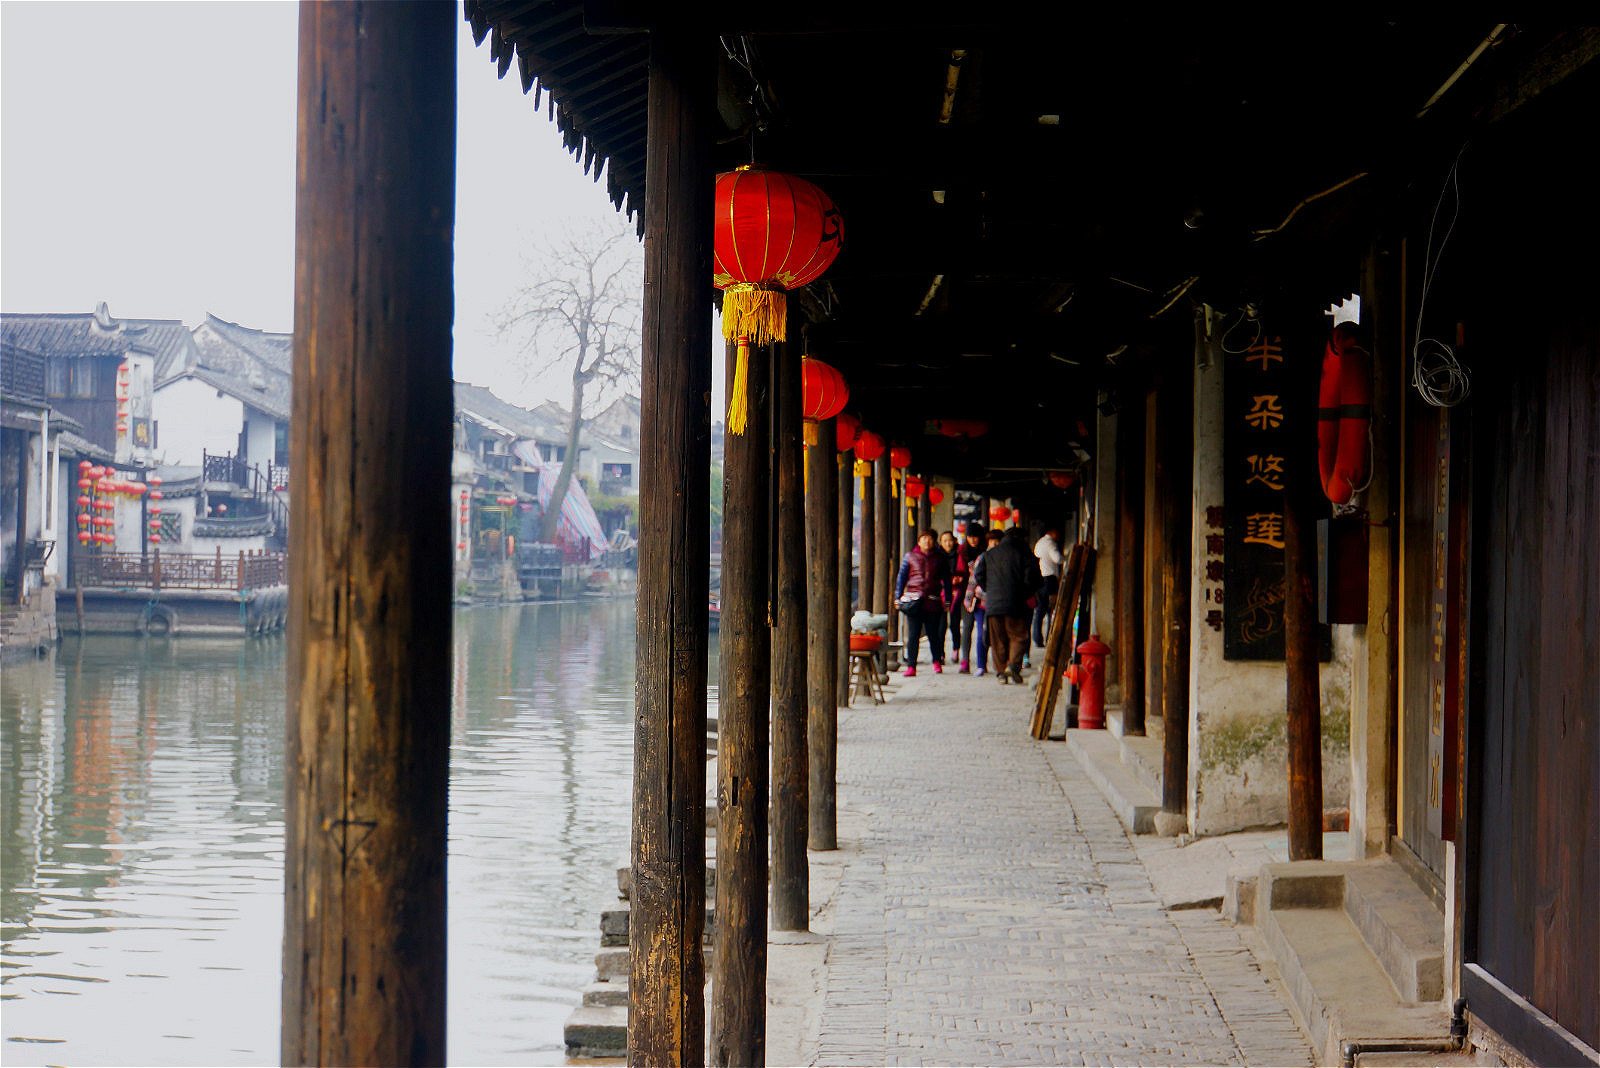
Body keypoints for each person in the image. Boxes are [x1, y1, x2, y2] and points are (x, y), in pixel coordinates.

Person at [972, 525, 1040, 684]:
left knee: (998, 640)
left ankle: (1001, 673)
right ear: (1019, 538)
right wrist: (1025, 593)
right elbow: (1033, 578)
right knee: (1018, 637)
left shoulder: (989, 554)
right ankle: (1012, 666)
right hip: (1015, 603)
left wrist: (991, 589)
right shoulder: (1024, 553)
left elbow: (978, 574)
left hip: (993, 604)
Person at [894, 528, 950, 676]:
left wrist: (948, 600)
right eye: (924, 538)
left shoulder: (940, 558)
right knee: (913, 635)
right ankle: (911, 666)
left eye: (930, 538)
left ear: (934, 542)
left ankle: (937, 662)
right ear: (919, 541)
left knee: (933, 634)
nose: (927, 541)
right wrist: (897, 597)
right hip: (914, 601)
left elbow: (947, 581)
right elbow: (902, 578)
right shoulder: (910, 557)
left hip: (933, 601)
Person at [963, 527, 1002, 676]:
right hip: (982, 601)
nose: (994, 545)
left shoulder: (1005, 558)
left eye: (997, 542)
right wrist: (968, 599)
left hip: (999, 601)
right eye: (991, 542)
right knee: (981, 633)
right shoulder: (983, 557)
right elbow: (973, 580)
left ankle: (999, 665)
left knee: (998, 634)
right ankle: (981, 664)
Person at [952, 524, 983, 672]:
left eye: (976, 536)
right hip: (967, 595)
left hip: (983, 594)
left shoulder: (985, 552)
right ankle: (965, 661)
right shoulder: (962, 552)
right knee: (967, 627)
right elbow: (958, 571)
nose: (973, 540)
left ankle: (982, 662)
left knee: (984, 630)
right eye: (970, 536)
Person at [1032, 527, 1064, 647]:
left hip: (1040, 578)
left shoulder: (1039, 543)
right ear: (1052, 532)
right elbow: (1057, 558)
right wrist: (1065, 558)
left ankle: (1037, 639)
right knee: (1052, 609)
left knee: (1039, 611)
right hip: (1050, 579)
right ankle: (1050, 638)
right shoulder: (1051, 543)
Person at [938, 530, 961, 665]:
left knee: (955, 624)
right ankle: (940, 653)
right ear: (941, 542)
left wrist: (958, 579)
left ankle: (956, 649)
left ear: (954, 541)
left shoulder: (959, 555)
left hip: (956, 593)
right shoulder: (938, 556)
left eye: (950, 540)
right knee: (941, 625)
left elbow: (963, 571)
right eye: (945, 540)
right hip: (941, 593)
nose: (948, 543)